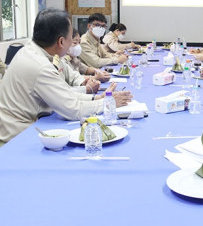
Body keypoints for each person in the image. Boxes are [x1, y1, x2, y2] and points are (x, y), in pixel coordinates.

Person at [0, 8, 133, 144]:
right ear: (61, 42)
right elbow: (72, 110)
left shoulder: (32, 51)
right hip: (17, 138)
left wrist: (96, 97)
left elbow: (63, 92)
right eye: (72, 38)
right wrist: (107, 104)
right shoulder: (41, 66)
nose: (74, 43)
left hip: (24, 126)